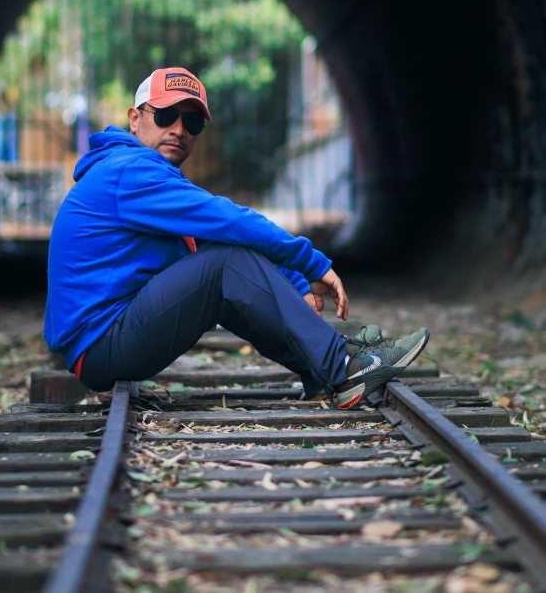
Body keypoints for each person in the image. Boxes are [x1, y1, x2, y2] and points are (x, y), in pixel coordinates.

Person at [45, 67, 429, 409]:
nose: (178, 129)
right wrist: (310, 262)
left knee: (224, 271)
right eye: (165, 116)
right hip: (102, 344)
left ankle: (321, 370)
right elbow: (229, 221)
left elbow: (206, 243)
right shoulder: (131, 171)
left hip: (103, 343)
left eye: (192, 123)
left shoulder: (137, 174)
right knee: (225, 265)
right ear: (135, 118)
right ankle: (342, 369)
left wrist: (295, 284)